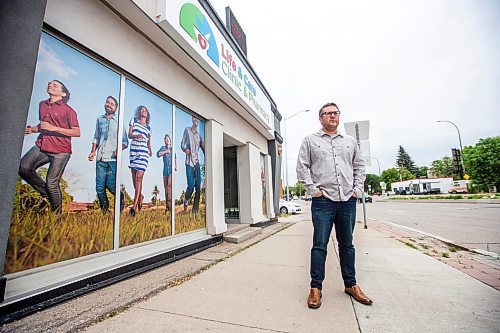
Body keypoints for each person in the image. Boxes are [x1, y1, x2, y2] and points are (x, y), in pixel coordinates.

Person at [296, 102, 372, 309]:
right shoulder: (310, 141)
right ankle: (315, 288)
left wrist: (357, 190)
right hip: (323, 201)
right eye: (328, 113)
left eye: (335, 113)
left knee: (347, 245)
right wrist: (314, 191)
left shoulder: (349, 141)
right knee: (319, 245)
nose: (332, 116)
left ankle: (351, 284)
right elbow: (302, 168)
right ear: (320, 118)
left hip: (347, 200)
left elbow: (359, 167)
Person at [19, 80, 80, 213]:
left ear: (63, 93)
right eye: (49, 84)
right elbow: (43, 126)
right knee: (23, 168)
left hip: (61, 152)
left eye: (55, 85)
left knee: (52, 183)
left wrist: (53, 128)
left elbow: (76, 132)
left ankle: (56, 215)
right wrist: (32, 130)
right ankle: (45, 194)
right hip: (42, 145)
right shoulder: (42, 105)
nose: (50, 85)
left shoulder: (68, 110)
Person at [88, 96, 128, 212]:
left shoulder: (119, 122)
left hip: (112, 160)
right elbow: (96, 137)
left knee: (111, 186)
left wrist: (119, 149)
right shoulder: (99, 119)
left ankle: (120, 197)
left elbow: (125, 141)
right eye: (107, 102)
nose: (109, 105)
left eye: (112, 104)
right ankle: (105, 212)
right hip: (100, 158)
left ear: (116, 107)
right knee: (100, 188)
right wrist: (92, 151)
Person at [128, 105, 152, 217]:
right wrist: (136, 135)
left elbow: (148, 143)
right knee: (134, 179)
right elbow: (129, 134)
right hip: (133, 151)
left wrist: (150, 150)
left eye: (146, 110)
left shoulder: (149, 128)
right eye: (142, 110)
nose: (144, 111)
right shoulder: (134, 121)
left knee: (139, 178)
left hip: (143, 153)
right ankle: (140, 196)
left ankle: (134, 207)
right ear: (139, 112)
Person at [180, 116, 205, 213]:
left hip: (197, 163)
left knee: (198, 187)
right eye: (194, 118)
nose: (196, 120)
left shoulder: (199, 136)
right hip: (189, 163)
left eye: (197, 119)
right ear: (192, 119)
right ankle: (186, 200)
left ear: (198, 121)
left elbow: (204, 149)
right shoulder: (187, 130)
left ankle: (195, 210)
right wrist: (184, 149)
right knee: (190, 186)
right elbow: (182, 143)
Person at [156, 134, 177, 212]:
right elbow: (158, 154)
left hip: (171, 172)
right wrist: (166, 152)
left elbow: (175, 157)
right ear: (164, 141)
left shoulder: (172, 149)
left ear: (170, 141)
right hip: (165, 172)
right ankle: (167, 207)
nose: (167, 140)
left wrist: (175, 166)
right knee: (166, 190)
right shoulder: (163, 148)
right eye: (166, 139)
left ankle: (170, 207)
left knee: (169, 188)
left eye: (168, 139)